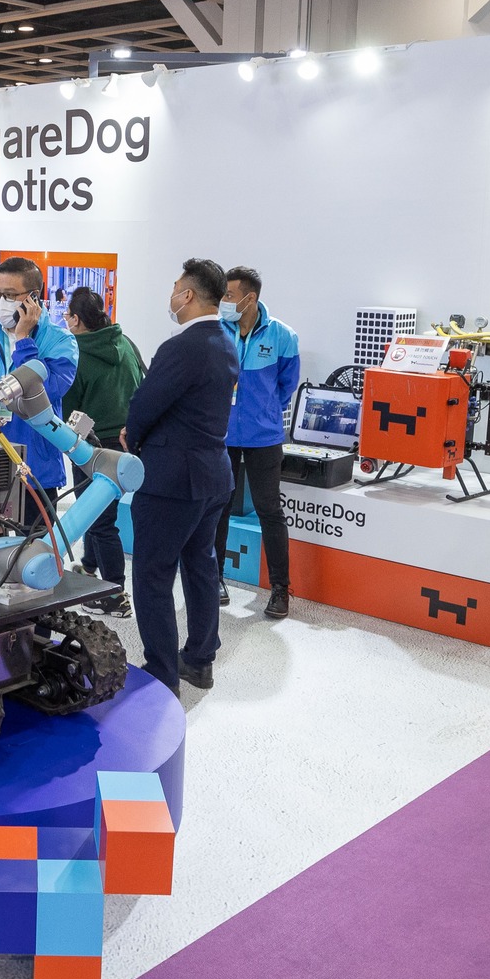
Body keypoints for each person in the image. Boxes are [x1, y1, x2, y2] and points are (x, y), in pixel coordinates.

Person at [124, 260, 238, 692]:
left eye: (175, 287)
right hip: (213, 475)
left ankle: (161, 675)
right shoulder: (225, 343)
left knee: (152, 575)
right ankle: (199, 660)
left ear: (187, 294)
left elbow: (145, 403)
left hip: (171, 481)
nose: (171, 294)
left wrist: (132, 438)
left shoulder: (181, 347)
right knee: (201, 567)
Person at [0, 257, 79, 526]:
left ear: (33, 297)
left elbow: (43, 392)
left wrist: (23, 341)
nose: (1, 301)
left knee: (36, 546)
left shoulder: (61, 342)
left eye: (10, 295)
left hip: (35, 467)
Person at [216, 266, 301, 619]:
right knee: (218, 507)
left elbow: (287, 385)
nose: (223, 301)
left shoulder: (283, 335)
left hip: (264, 437)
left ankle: (280, 588)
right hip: (222, 436)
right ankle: (214, 578)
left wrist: (262, 412)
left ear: (250, 298)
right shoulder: (217, 330)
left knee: (269, 510)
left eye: (229, 295)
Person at [60, 287, 143, 616]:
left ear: (77, 319)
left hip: (92, 446)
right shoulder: (125, 342)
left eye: (68, 315)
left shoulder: (75, 353)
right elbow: (143, 383)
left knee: (100, 521)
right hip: (127, 443)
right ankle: (90, 565)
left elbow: (69, 409)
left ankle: (114, 594)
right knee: (101, 514)